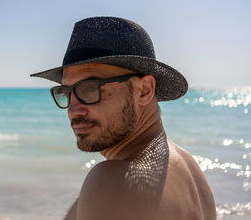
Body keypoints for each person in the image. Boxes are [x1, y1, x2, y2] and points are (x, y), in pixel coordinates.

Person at [31, 17, 216, 220]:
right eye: (67, 92)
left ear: (144, 90)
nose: (73, 111)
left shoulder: (112, 181)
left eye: (89, 89)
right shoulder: (191, 173)